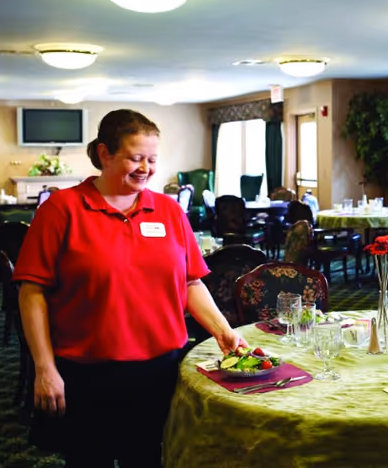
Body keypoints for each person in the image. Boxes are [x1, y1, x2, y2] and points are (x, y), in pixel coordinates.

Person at [14, 109, 246, 467]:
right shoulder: (63, 209)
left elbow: (190, 281)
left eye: (152, 159)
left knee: (149, 458)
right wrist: (44, 368)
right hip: (87, 372)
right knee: (90, 460)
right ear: (104, 154)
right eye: (135, 158)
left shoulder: (168, 211)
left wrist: (223, 331)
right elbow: (32, 292)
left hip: (160, 368)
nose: (145, 168)